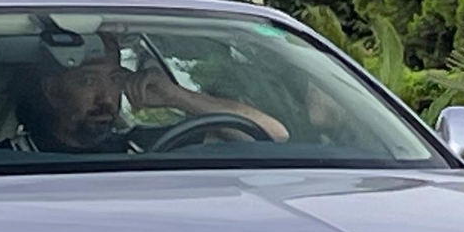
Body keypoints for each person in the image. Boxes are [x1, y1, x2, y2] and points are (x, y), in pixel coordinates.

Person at [15, 33, 286, 154]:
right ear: (52, 91)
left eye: (114, 79)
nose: (106, 97)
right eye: (87, 81)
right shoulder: (9, 159)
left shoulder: (149, 146)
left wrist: (175, 96)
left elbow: (274, 135)